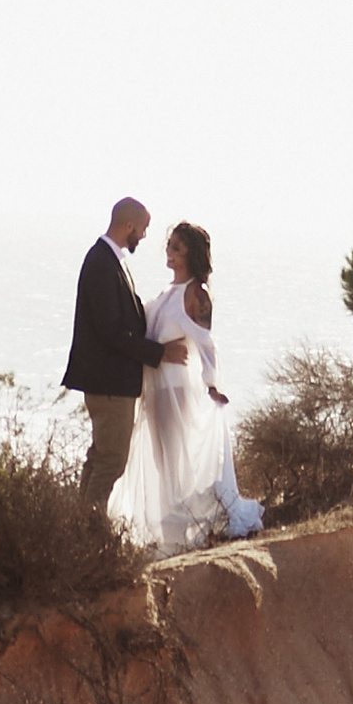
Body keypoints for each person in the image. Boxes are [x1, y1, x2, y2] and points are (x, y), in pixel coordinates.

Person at [117, 222, 264, 552]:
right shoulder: (167, 292)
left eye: (177, 248)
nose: (169, 252)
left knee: (178, 458)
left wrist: (211, 384)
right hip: (154, 388)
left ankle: (193, 524)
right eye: (169, 245)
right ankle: (170, 529)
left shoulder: (196, 293)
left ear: (191, 254)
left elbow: (206, 343)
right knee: (161, 459)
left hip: (177, 387)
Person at [63, 198, 187, 503]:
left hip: (109, 383)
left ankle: (79, 522)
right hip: (109, 384)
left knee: (101, 457)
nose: (143, 236)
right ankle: (89, 526)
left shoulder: (110, 259)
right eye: (143, 229)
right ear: (129, 226)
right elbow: (111, 331)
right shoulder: (102, 263)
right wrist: (159, 353)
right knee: (112, 461)